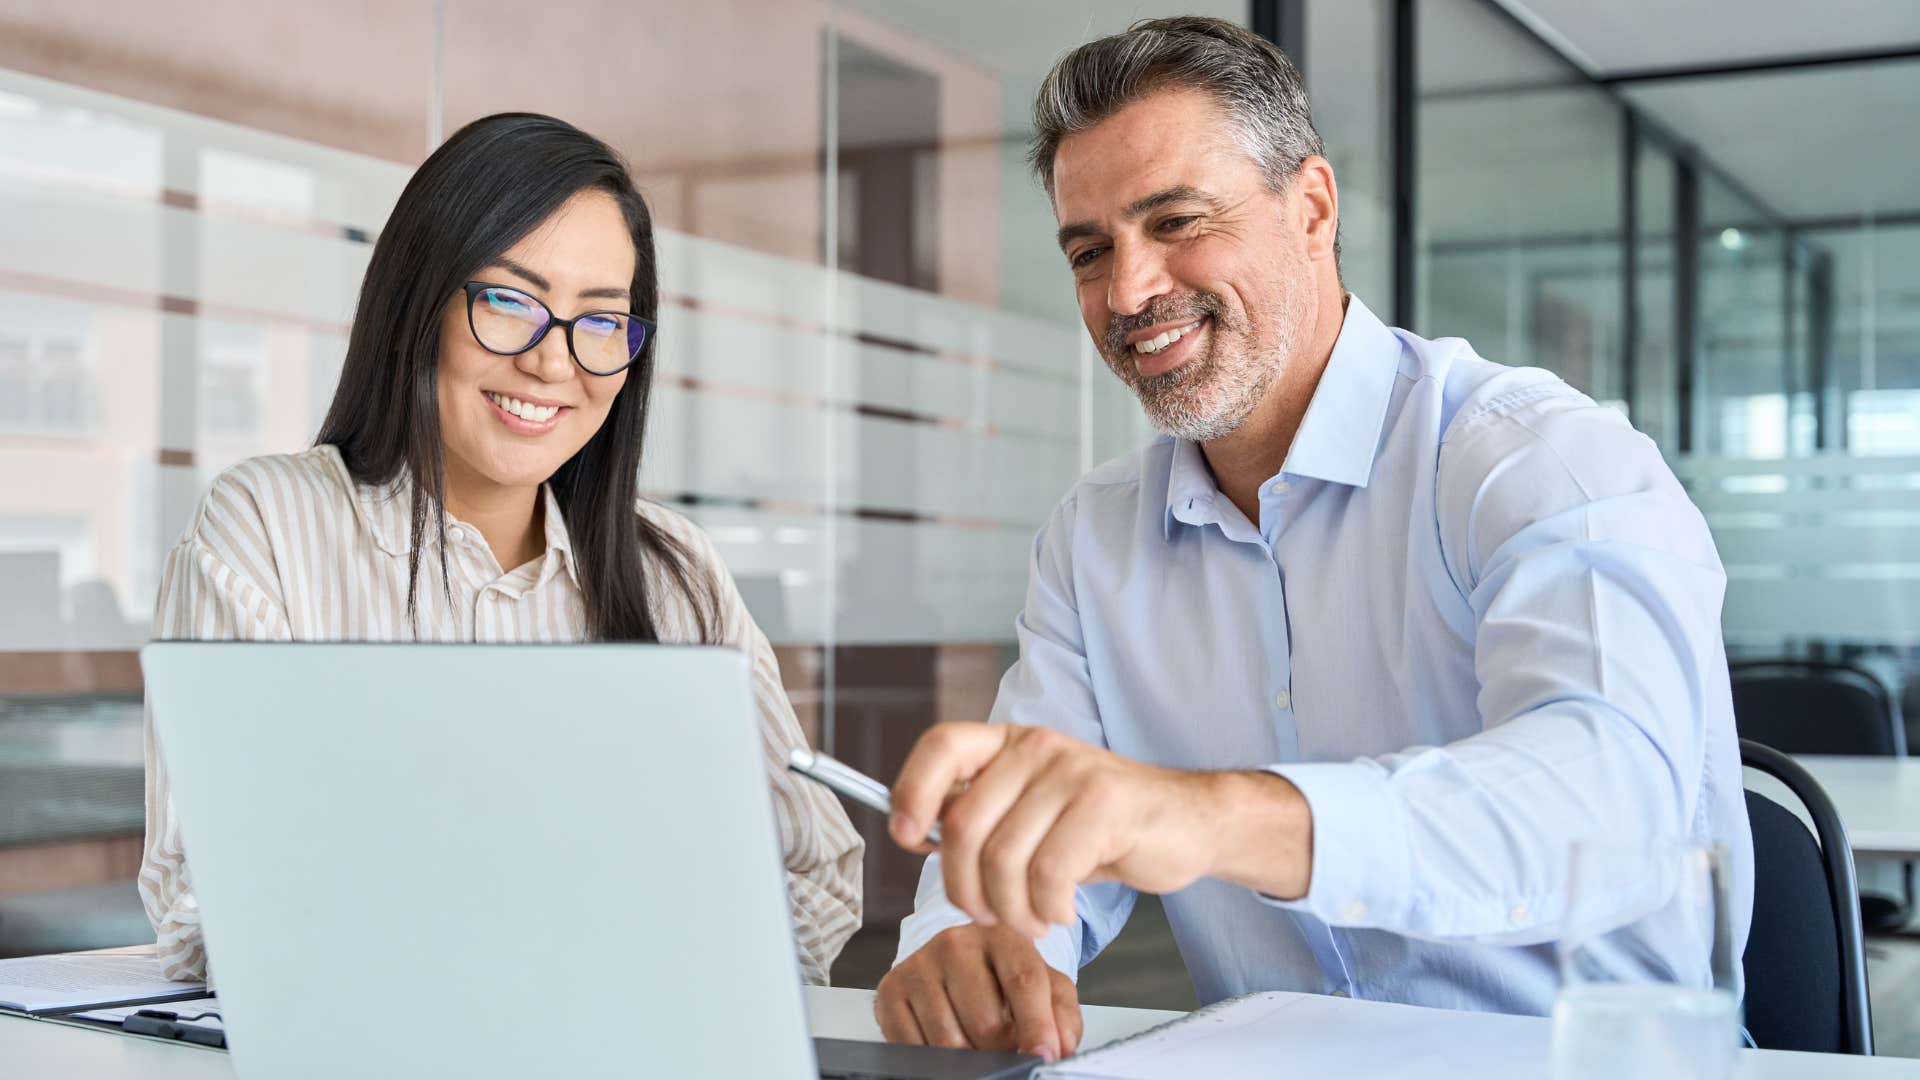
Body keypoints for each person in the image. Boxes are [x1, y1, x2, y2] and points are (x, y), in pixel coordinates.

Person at [876, 17, 1751, 1062]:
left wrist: (1210, 817)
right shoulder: (1093, 540)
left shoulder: (1535, 459)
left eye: (1177, 221)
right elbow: (1037, 843)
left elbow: (1611, 809)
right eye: (1089, 250)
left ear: (1313, 210)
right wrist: (971, 942)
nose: (1128, 290)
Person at [139, 113, 862, 986]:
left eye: (601, 321)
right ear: (420, 303)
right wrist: (628, 902)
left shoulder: (673, 570)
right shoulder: (268, 529)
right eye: (510, 301)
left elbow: (815, 875)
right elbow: (204, 902)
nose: (554, 363)